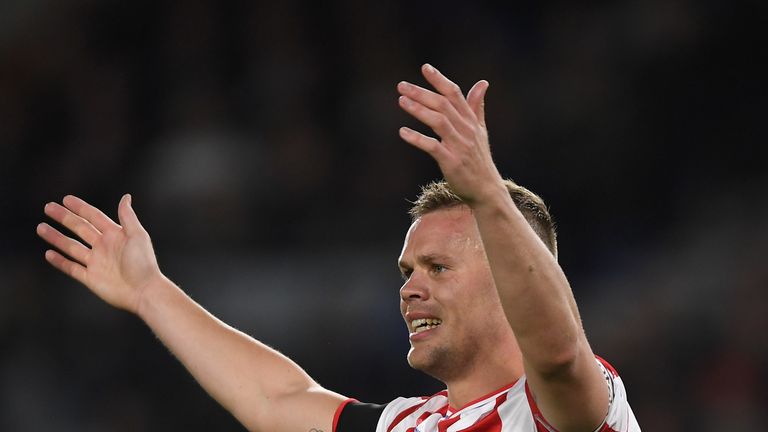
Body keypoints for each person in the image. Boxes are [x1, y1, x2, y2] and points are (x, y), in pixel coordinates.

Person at [37, 64, 640, 432]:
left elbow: (560, 354)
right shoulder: (411, 425)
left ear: (511, 282)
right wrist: (150, 292)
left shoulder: (570, 410)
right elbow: (279, 399)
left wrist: (486, 192)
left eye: (437, 267)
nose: (409, 288)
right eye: (407, 269)